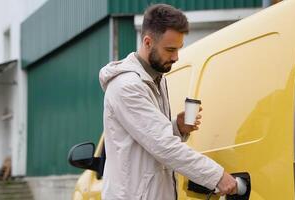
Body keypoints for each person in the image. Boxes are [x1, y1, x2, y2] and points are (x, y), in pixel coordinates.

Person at [99, 4, 237, 200]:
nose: (176, 57)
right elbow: (163, 145)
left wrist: (176, 127)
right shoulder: (126, 86)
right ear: (148, 42)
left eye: (179, 48)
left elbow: (149, 137)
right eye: (170, 49)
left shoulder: (157, 78)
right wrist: (216, 176)